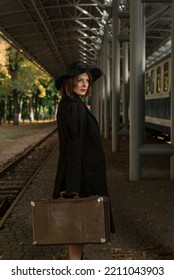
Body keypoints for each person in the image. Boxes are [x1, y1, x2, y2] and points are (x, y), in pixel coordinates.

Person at [52, 62, 115, 260]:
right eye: (80, 80)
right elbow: (74, 148)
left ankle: (76, 263)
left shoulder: (71, 104)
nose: (85, 84)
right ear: (70, 82)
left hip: (81, 173)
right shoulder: (74, 108)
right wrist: (71, 187)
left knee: (78, 226)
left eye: (87, 80)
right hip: (82, 176)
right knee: (78, 225)